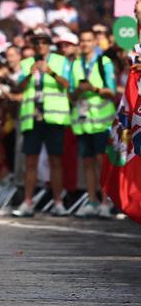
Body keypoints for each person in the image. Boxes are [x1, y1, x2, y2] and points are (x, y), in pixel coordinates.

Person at [12, 27, 71, 217]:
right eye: (37, 42)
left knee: (56, 161)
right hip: (33, 117)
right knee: (31, 161)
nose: (40, 45)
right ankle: (28, 202)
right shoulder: (27, 62)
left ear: (49, 44)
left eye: (44, 42)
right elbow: (19, 87)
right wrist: (29, 74)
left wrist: (51, 72)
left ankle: (58, 201)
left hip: (54, 117)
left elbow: (68, 85)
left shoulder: (61, 61)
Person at [69, 27, 117, 217]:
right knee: (87, 162)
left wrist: (94, 89)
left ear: (95, 43)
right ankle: (92, 201)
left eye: (88, 40)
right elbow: (71, 94)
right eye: (82, 40)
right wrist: (78, 92)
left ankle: (106, 201)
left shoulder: (104, 62)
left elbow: (112, 92)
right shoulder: (75, 64)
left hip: (101, 121)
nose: (85, 44)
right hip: (82, 122)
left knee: (101, 162)